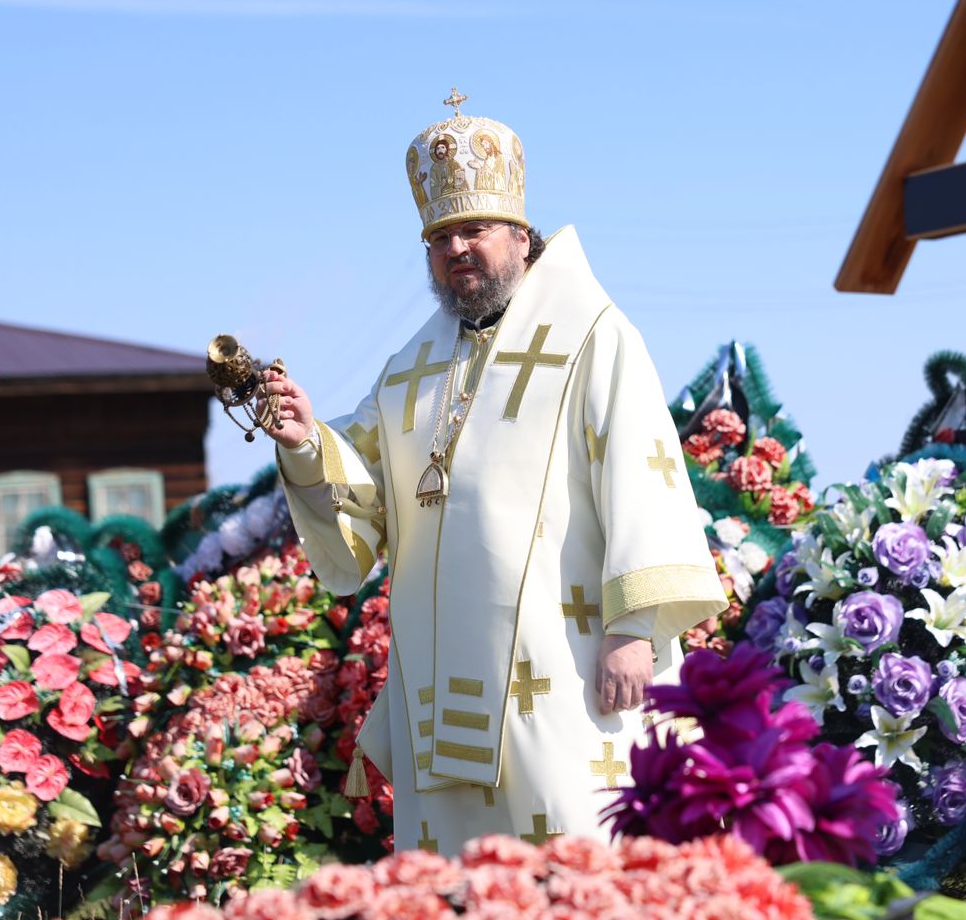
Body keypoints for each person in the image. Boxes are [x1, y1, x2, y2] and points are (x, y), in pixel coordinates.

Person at [264, 95, 725, 855]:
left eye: (474, 230)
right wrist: (308, 441)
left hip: (565, 666)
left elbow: (642, 475)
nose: (458, 250)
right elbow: (366, 493)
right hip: (440, 685)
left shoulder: (592, 334)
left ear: (519, 234)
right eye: (440, 237)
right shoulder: (410, 368)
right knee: (456, 888)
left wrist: (633, 629)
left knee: (572, 866)